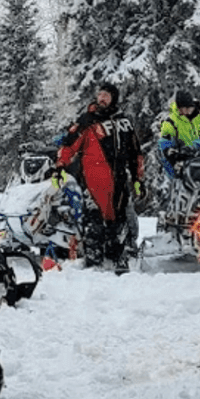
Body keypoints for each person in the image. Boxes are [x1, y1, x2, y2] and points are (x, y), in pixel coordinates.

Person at [56, 83, 145, 271]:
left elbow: (135, 152)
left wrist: (138, 179)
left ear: (114, 98)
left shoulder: (124, 122)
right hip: (93, 180)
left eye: (106, 95)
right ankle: (93, 262)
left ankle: (117, 255)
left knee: (119, 220)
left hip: (119, 179)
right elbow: (69, 145)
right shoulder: (87, 121)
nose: (102, 98)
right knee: (94, 220)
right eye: (100, 94)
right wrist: (60, 167)